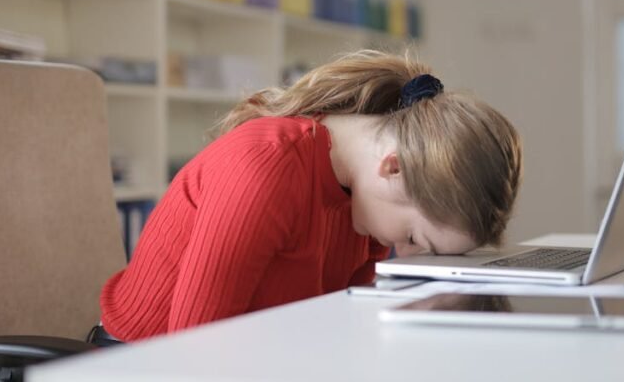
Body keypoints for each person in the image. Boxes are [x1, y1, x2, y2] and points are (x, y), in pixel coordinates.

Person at [98, 50, 523, 341]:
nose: (406, 255)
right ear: (393, 167)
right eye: (415, 239)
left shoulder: (367, 203)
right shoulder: (266, 167)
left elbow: (337, 330)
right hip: (140, 362)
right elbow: (194, 353)